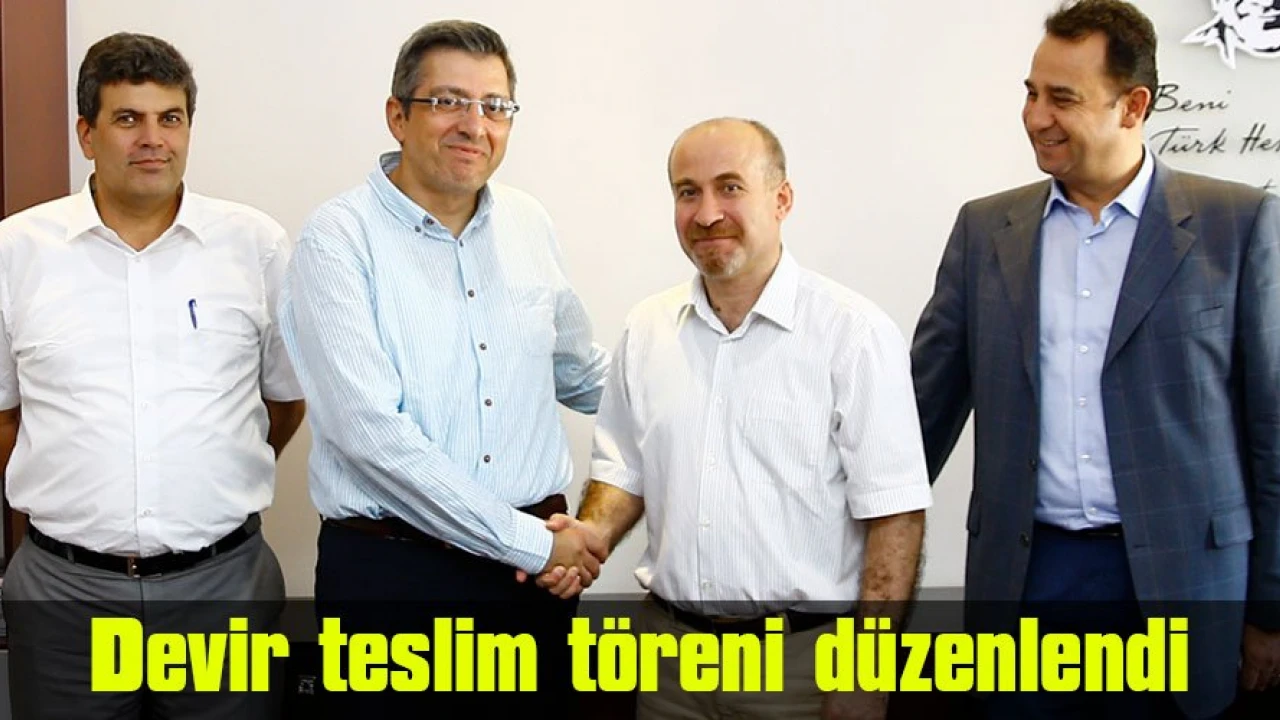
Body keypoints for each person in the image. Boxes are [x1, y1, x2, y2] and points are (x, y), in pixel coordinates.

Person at [911, 1, 1280, 718]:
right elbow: (921, 416)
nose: (1036, 117)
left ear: (1132, 106)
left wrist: (1270, 605)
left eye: (1063, 98)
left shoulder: (1237, 225)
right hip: (1028, 576)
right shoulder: (985, 230)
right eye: (1030, 92)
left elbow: (1272, 431)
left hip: (1182, 582)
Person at [531, 118, 932, 720]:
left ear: (782, 199)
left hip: (804, 669)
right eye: (687, 192)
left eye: (730, 187)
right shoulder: (648, 328)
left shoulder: (854, 334)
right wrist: (589, 536)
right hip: (669, 665)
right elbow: (624, 470)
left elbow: (895, 515)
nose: (707, 213)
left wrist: (868, 675)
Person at [278, 19, 610, 715]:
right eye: (449, 101)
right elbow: (372, 438)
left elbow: (582, 374)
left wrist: (700, 383)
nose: (474, 125)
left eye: (495, 106)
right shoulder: (337, 239)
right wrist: (533, 545)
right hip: (395, 581)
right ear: (398, 115)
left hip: (535, 585)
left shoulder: (528, 222)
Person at [0, 32, 306, 720]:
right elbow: (4, 417)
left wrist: (207, 480)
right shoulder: (15, 251)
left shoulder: (254, 245)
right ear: (86, 133)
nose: (152, 139)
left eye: (170, 118)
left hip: (222, 589)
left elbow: (283, 403)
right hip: (65, 598)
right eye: (127, 118)